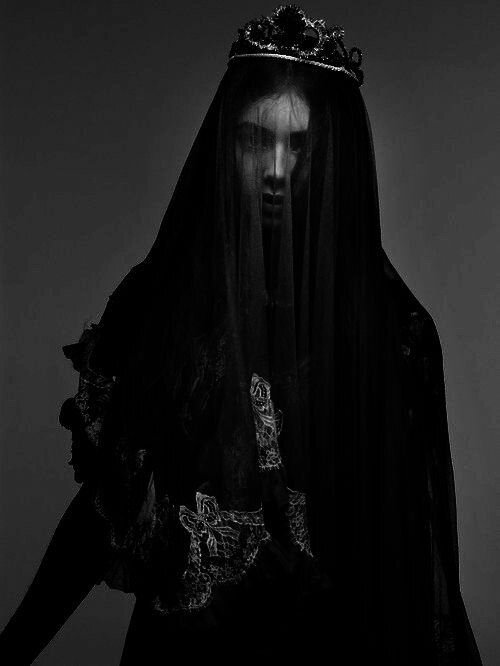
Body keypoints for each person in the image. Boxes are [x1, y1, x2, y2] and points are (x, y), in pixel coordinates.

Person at [0, 5, 484, 664]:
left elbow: (412, 564)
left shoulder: (392, 333)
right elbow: (102, 511)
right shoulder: (160, 304)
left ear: (332, 157)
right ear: (224, 145)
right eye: (256, 139)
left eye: (301, 145)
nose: (278, 169)